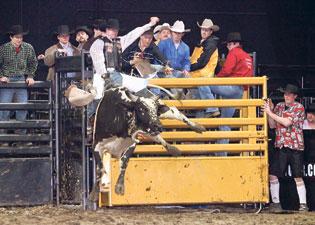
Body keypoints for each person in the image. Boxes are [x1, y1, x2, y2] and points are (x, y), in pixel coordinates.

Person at [204, 32, 253, 156]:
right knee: (225, 123)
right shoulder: (247, 57)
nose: (228, 47)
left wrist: (216, 77)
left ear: (234, 44)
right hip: (240, 91)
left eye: (229, 45)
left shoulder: (234, 53)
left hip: (231, 87)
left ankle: (211, 108)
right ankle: (222, 155)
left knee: (204, 83)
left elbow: (227, 69)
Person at [262, 84, 308, 212]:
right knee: (273, 174)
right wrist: (269, 111)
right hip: (281, 144)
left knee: (297, 175)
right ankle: (276, 203)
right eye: (285, 94)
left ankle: (303, 204)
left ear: (295, 96)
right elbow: (272, 125)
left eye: (289, 94)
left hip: (295, 146)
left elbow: (287, 122)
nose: (286, 96)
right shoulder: (279, 106)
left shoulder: (299, 107)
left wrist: (270, 112)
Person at [0, 25, 38, 147]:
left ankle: (21, 138)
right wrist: (1, 76)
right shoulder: (4, 49)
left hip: (21, 80)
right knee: (4, 109)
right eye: (16, 37)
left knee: (22, 108)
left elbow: (33, 62)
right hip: (7, 81)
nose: (19, 40)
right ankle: (3, 138)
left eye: (20, 37)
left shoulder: (28, 48)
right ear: (11, 37)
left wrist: (30, 76)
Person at [189, 18, 220, 118]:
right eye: (202, 29)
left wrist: (188, 68)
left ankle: (212, 108)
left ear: (211, 31)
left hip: (202, 75)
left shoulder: (210, 44)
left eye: (206, 30)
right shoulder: (204, 43)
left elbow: (202, 62)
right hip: (197, 75)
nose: (204, 32)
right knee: (199, 104)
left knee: (199, 101)